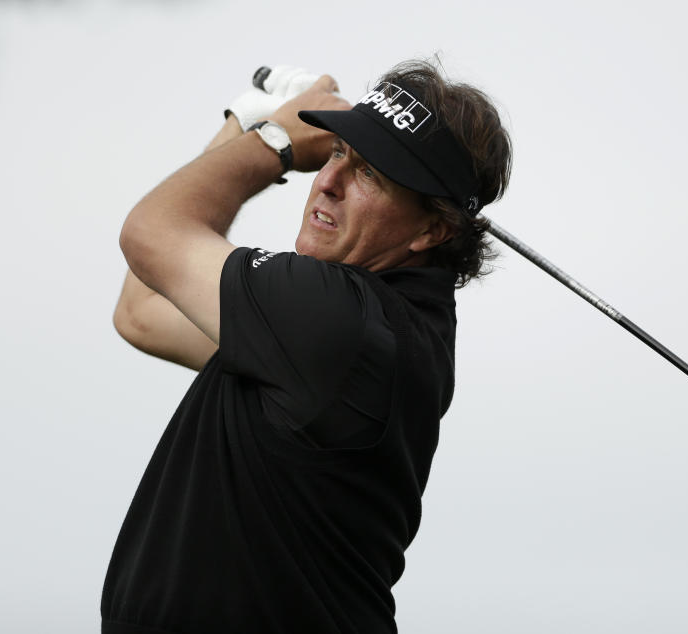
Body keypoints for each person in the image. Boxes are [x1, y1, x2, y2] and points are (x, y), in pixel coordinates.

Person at [103, 60, 512, 634]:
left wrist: (275, 142)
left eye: (371, 173)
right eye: (338, 151)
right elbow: (142, 312)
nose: (325, 180)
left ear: (433, 230)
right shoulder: (381, 327)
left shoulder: (340, 321)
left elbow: (149, 233)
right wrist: (251, 123)